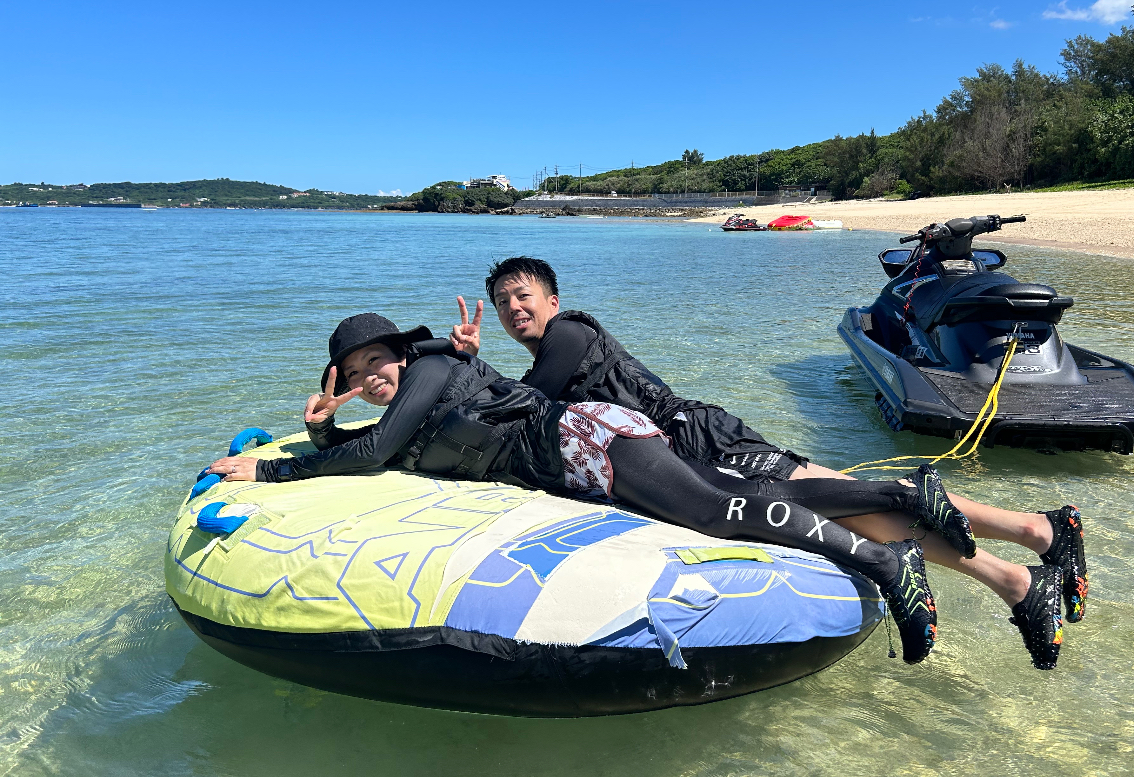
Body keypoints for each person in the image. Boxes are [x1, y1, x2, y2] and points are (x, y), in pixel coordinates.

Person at [448, 257, 1088, 670]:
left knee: (845, 497)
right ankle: (1033, 545)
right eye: (503, 303)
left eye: (523, 295)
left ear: (553, 301)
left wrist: (470, 371)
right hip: (691, 448)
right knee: (848, 502)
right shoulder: (546, 357)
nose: (513, 309)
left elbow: (530, 407)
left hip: (699, 440)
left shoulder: (569, 338)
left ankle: (1026, 561)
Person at [206, 313, 941, 664]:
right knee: (720, 499)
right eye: (356, 374)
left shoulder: (427, 371)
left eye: (377, 362)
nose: (372, 379)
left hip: (580, 440)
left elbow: (374, 455)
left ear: (402, 352)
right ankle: (906, 498)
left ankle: (885, 561)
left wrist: (274, 469)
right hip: (576, 460)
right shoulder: (404, 399)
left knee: (717, 516)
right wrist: (327, 430)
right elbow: (377, 451)